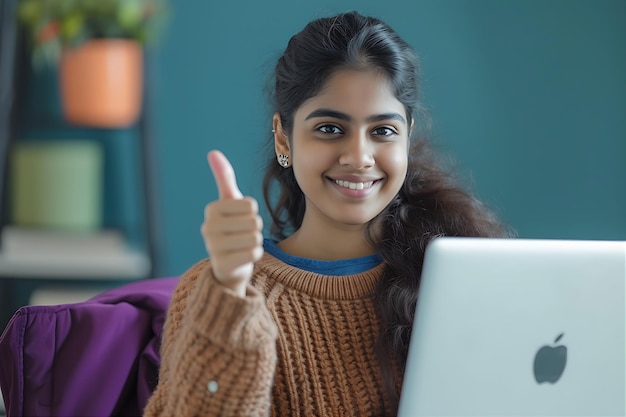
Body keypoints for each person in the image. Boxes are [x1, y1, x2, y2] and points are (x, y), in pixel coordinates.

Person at [144, 10, 510, 417]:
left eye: (382, 131)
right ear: (284, 136)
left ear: (407, 135)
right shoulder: (212, 293)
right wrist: (230, 294)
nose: (358, 157)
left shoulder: (465, 280)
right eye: (330, 129)